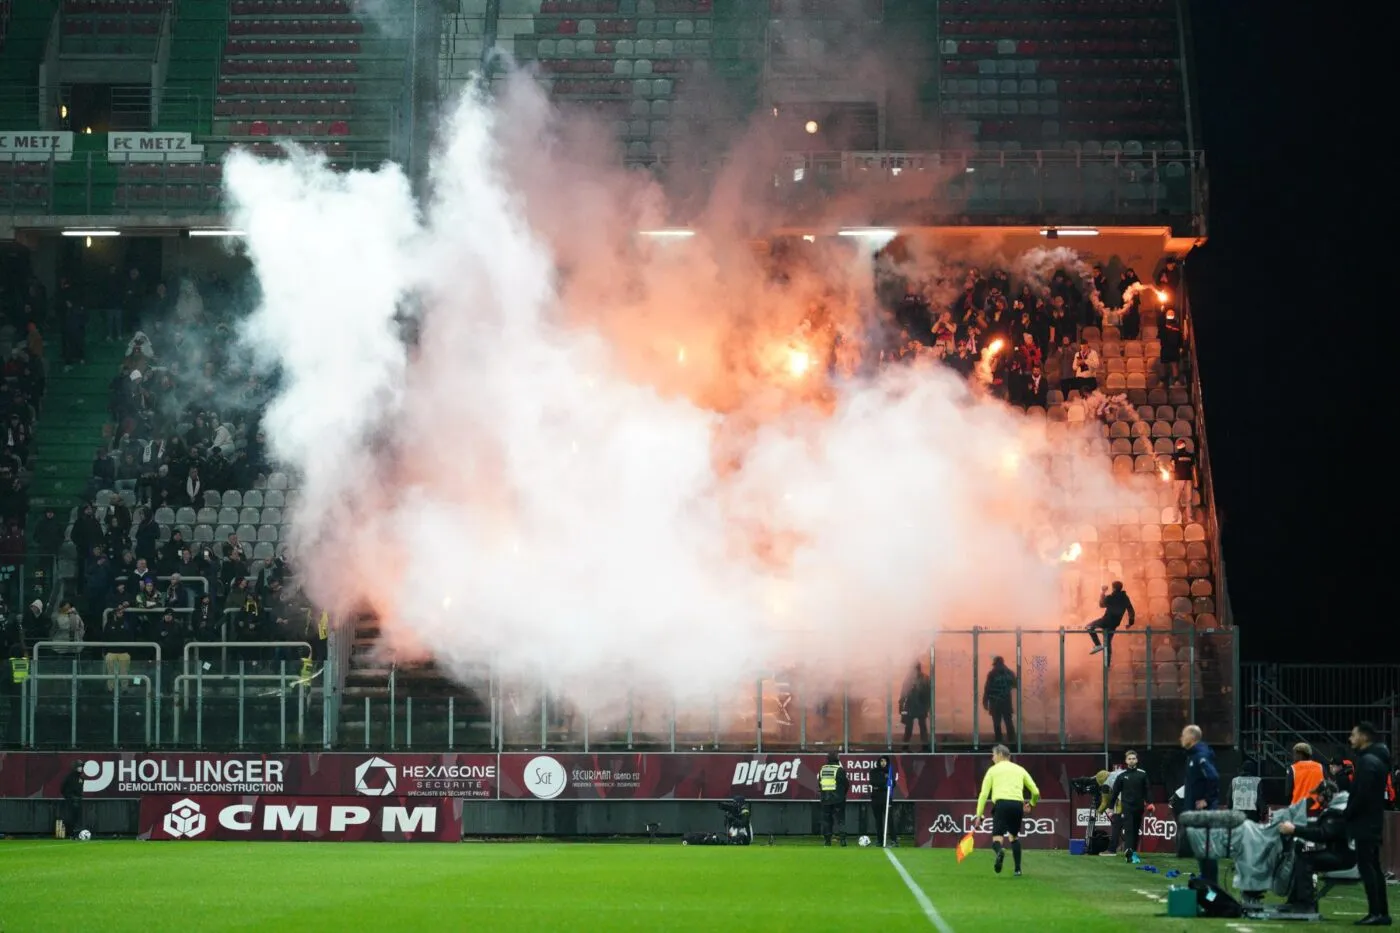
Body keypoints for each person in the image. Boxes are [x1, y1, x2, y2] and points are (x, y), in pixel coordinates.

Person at [1278, 779, 1355, 916]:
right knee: (1301, 850)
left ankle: (1306, 904)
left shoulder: (1338, 811)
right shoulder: (1338, 808)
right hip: (1340, 851)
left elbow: (1322, 834)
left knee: (1306, 859)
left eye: (1319, 795)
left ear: (1326, 794)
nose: (1318, 799)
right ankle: (1295, 900)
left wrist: (1295, 830)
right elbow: (1322, 831)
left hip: (1344, 857)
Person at [1343, 721, 1391, 925]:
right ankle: (1382, 913)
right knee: (1374, 867)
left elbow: (1362, 794)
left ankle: (1376, 913)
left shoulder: (1367, 761)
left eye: (1354, 735)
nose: (1351, 739)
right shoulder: (1375, 759)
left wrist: (1348, 813)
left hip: (1365, 822)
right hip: (1372, 820)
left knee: (1367, 867)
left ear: (1364, 737)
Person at [975, 744, 1041, 877]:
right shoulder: (1020, 769)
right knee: (1014, 837)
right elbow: (1035, 791)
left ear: (1000, 755)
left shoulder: (992, 770)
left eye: (993, 754)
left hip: (1001, 804)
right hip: (1017, 805)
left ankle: (1000, 851)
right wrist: (1032, 803)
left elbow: (983, 794)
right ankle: (1017, 869)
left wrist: (978, 815)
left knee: (997, 838)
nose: (992, 757)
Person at [1180, 724, 1220, 884]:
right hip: (1195, 811)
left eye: (1183, 735)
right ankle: (1206, 879)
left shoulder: (1200, 756)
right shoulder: (1192, 755)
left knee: (1206, 846)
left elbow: (1213, 777)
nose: (1181, 738)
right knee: (1200, 847)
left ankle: (1211, 882)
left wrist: (1207, 800)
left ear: (1192, 737)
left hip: (1203, 812)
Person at [1109, 750, 1151, 863]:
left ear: (1136, 760)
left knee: (1136, 830)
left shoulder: (1142, 774)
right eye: (1129, 758)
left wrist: (1150, 802)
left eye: (1133, 758)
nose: (1131, 760)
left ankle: (1133, 852)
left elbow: (1147, 790)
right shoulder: (1122, 776)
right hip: (1126, 807)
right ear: (1126, 761)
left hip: (1139, 807)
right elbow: (1115, 792)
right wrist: (1110, 806)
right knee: (1129, 829)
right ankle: (1129, 852)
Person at [1085, 581, 1135, 663]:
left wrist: (1103, 592)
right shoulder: (1125, 598)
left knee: (1089, 627)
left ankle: (1097, 645)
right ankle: (1107, 664)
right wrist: (1130, 623)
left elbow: (1101, 605)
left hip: (1106, 621)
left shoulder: (1111, 597)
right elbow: (1131, 611)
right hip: (1115, 623)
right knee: (1107, 642)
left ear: (1113, 588)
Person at [982, 656, 1018, 745]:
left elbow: (987, 688)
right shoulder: (1009, 673)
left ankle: (999, 740)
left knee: (997, 722)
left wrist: (985, 701)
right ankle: (1012, 740)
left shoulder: (992, 674)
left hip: (995, 702)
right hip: (1006, 701)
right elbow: (1015, 685)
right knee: (1008, 721)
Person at [818, 751, 849, 847]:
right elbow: (846, 784)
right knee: (840, 820)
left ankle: (827, 841)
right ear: (837, 759)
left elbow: (820, 783)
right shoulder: (839, 769)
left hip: (825, 798)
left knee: (827, 820)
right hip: (838, 798)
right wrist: (842, 794)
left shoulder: (822, 769)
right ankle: (842, 841)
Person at [1285, 743, 1325, 815]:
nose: (1293, 756)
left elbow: (1288, 792)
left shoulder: (1293, 768)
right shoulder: (1320, 767)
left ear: (1300, 754)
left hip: (1298, 809)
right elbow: (1327, 787)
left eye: (1295, 754)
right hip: (1317, 809)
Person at [900, 662, 930, 752]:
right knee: (910, 728)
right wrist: (901, 705)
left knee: (921, 727)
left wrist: (927, 706)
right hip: (913, 706)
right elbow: (904, 692)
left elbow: (929, 694)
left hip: (919, 706)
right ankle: (906, 746)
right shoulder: (911, 679)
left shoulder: (924, 679)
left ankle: (923, 746)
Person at [870, 755, 896, 847]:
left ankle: (894, 840)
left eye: (885, 761)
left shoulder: (889, 772)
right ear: (879, 762)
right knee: (878, 821)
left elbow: (893, 784)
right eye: (881, 761)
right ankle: (879, 841)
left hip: (887, 798)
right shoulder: (873, 772)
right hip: (876, 799)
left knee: (890, 820)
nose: (883, 763)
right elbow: (873, 782)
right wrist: (883, 784)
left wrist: (882, 785)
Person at [1170, 437, 1196, 522]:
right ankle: (1188, 518)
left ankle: (1176, 518)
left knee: (1177, 500)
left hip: (1179, 480)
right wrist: (1195, 481)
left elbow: (1172, 468)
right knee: (1188, 500)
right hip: (1187, 479)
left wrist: (1171, 480)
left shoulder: (1175, 456)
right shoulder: (1190, 456)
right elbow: (1193, 469)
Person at [61, 760, 85, 838]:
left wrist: (80, 797)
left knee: (77, 817)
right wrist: (69, 797)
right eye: (79, 767)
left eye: (82, 767)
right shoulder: (69, 777)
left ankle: (76, 833)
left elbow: (80, 790)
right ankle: (70, 834)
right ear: (75, 767)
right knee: (70, 817)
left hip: (78, 801)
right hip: (70, 801)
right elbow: (63, 788)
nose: (81, 768)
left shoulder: (81, 778)